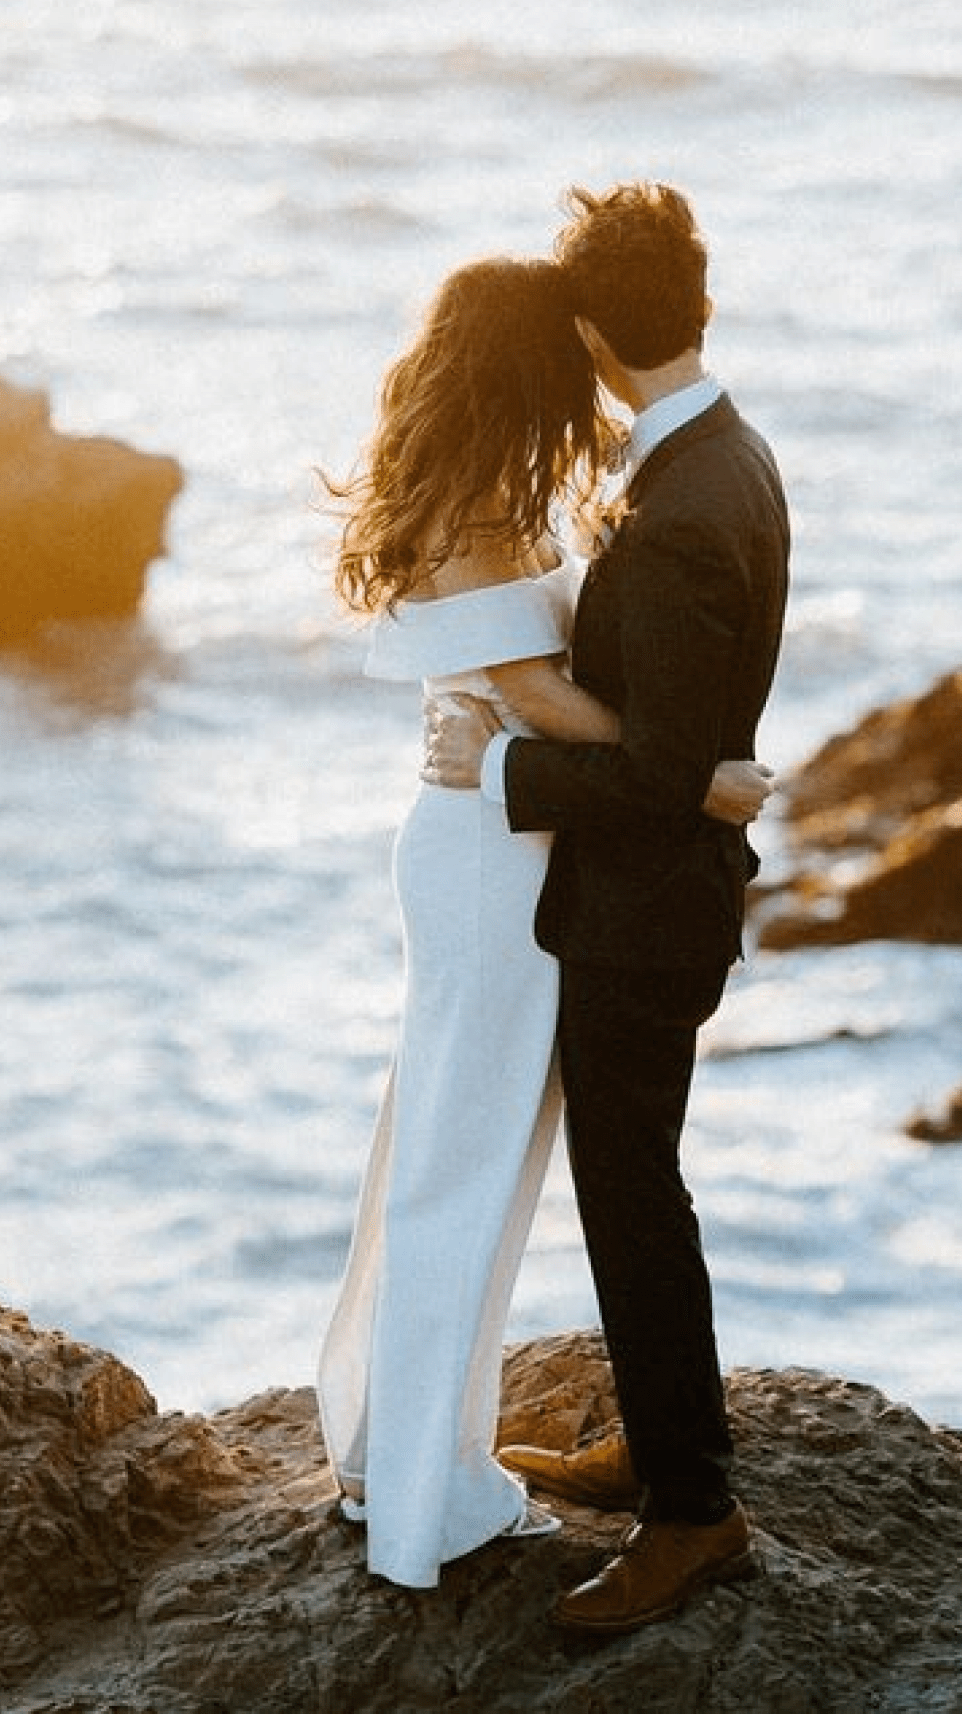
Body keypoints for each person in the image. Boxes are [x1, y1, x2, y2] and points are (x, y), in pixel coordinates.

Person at [316, 255, 770, 1590]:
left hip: (508, 846)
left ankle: (398, 1445)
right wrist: (696, 774)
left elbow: (526, 687)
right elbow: (532, 690)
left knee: (458, 1155)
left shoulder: (485, 485)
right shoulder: (468, 503)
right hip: (487, 855)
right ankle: (421, 1495)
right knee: (460, 1166)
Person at [427, 183, 790, 1634]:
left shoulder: (685, 511)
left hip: (645, 912)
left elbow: (651, 773)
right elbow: (687, 752)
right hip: (660, 893)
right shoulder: (729, 456)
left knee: (632, 1197)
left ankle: (694, 1514)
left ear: (590, 333)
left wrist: (503, 760)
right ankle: (660, 1435)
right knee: (642, 1188)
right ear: (694, 303)